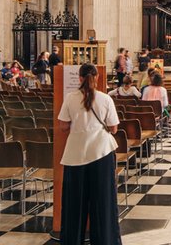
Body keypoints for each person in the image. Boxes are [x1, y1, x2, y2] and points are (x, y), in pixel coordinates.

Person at [59, 63, 121, 245]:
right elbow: (114, 128)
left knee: (74, 201)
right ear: (97, 78)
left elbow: (62, 125)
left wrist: (78, 127)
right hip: (101, 152)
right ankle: (105, 240)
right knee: (102, 200)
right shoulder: (105, 99)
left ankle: (72, 240)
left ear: (79, 78)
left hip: (75, 154)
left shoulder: (70, 98)